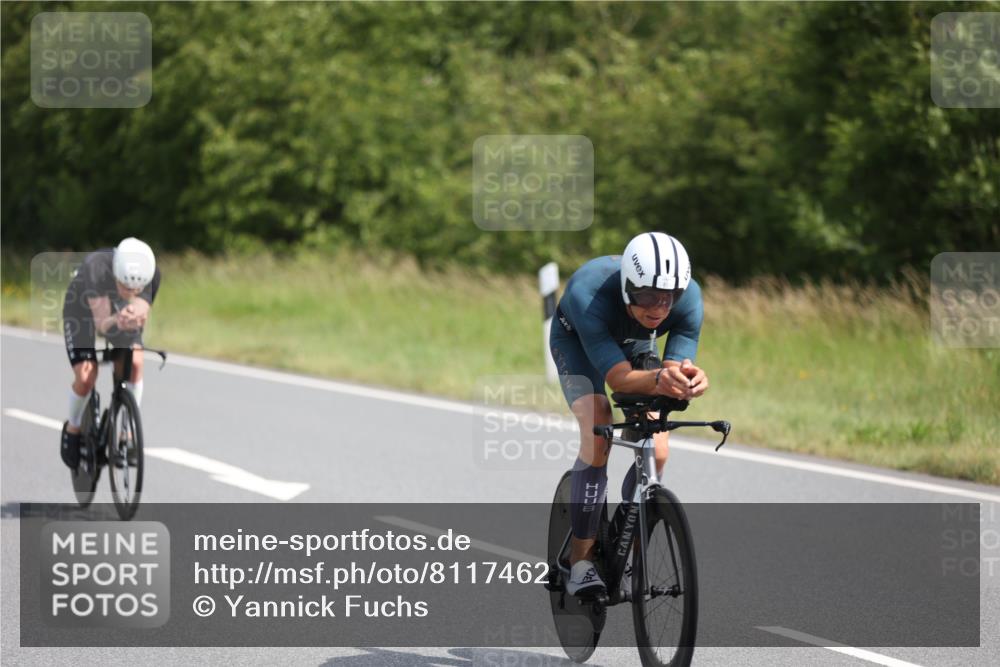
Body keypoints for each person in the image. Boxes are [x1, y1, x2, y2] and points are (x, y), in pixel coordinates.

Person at [550, 232, 709, 597]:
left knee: (659, 446)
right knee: (599, 425)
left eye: (669, 298)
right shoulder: (588, 293)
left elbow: (670, 370)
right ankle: (580, 562)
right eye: (648, 296)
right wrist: (659, 379)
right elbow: (617, 377)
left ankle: (628, 532)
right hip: (577, 342)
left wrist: (687, 380)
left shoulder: (689, 298)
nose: (659, 308)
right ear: (627, 287)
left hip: (637, 345)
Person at [60, 237, 161, 468]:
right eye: (125, 286)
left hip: (119, 315)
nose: (131, 292)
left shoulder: (152, 273)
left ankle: (128, 432)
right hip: (83, 312)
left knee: (134, 362)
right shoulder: (96, 267)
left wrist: (134, 314)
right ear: (115, 274)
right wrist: (119, 318)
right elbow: (103, 325)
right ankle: (73, 427)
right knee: (86, 376)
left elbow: (142, 308)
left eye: (137, 288)